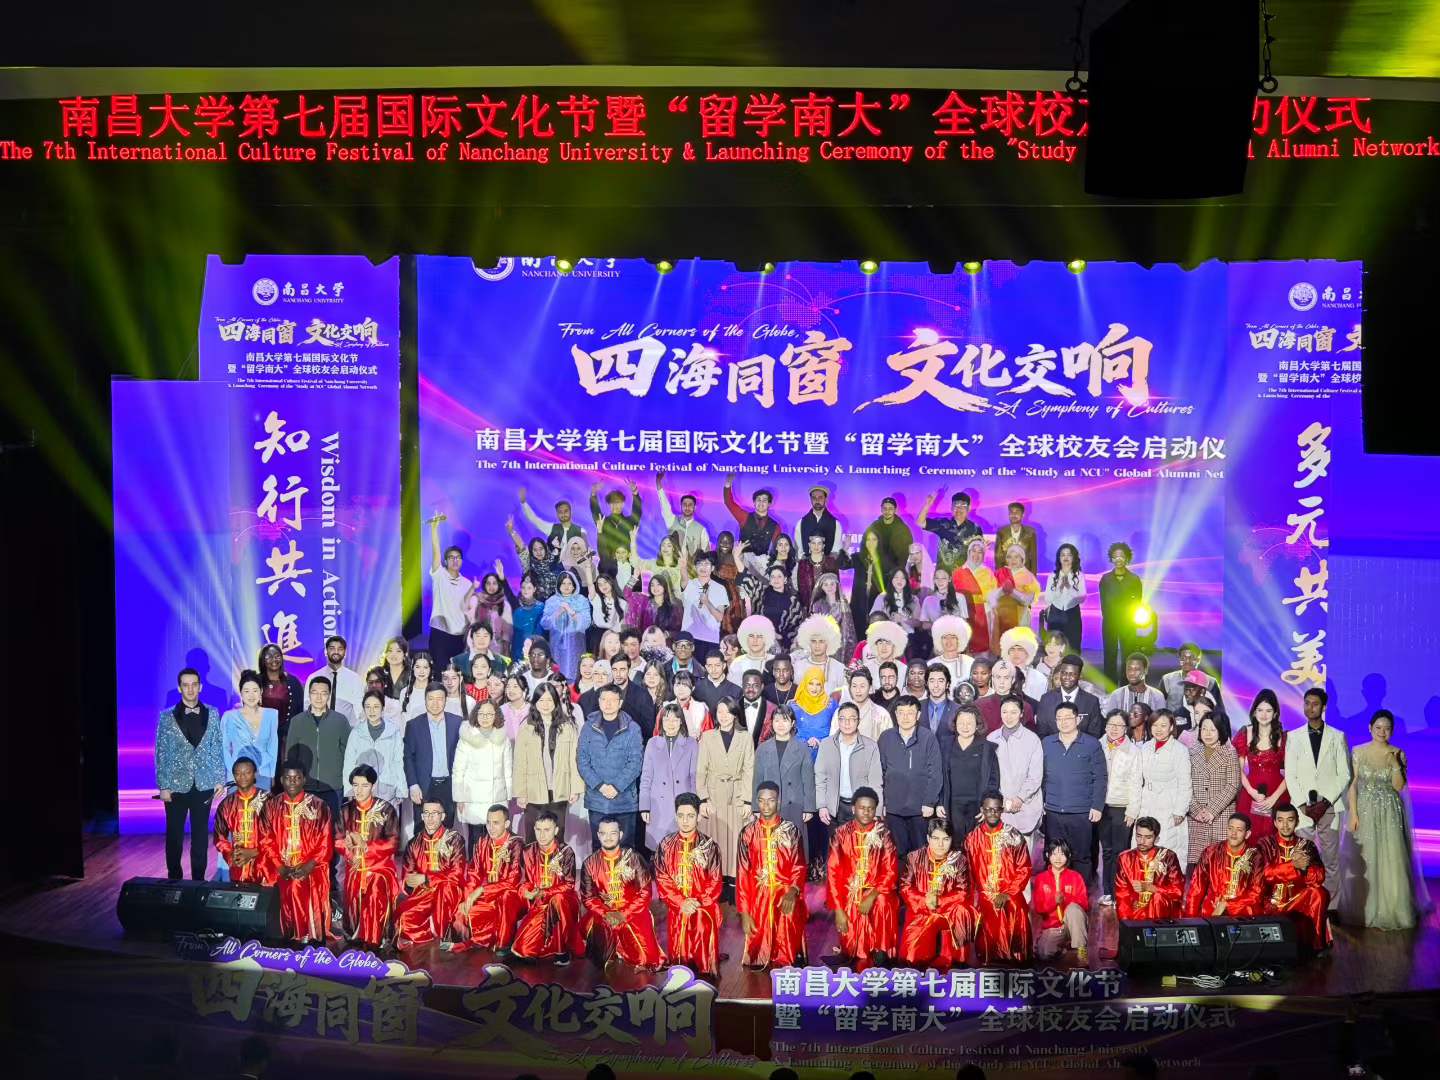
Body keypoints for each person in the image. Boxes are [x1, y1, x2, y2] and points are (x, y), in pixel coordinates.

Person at [1340, 709, 1424, 930]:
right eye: (1378, 727)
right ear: (1370, 728)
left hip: (1390, 812)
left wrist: (1395, 763)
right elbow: (1353, 785)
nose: (1382, 732)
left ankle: (1392, 909)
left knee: (1391, 857)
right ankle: (1365, 909)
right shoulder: (1358, 751)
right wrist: (1353, 813)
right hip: (1365, 809)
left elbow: (1399, 786)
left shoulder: (1398, 753)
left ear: (1392, 731)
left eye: (1387, 728)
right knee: (1367, 857)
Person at [156, 667, 227, 881]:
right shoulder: (167, 716)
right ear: (179, 688)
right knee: (174, 836)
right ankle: (174, 879)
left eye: (194, 685)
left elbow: (216, 747)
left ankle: (198, 881)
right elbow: (161, 753)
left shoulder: (212, 713)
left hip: (203, 784)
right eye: (185, 685)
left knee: (200, 837)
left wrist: (219, 779)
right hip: (176, 786)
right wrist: (163, 786)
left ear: (200, 687)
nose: (190, 689)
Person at [1283, 686, 1352, 904]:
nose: (1310, 707)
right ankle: (1302, 902)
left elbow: (1345, 774)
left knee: (1331, 859)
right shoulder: (1293, 737)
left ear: (1323, 707)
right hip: (1303, 808)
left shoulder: (1337, 736)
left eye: (1315, 704)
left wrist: (1326, 802)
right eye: (1307, 703)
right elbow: (1290, 774)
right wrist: (1302, 805)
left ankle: (1331, 906)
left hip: (1329, 807)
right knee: (1301, 857)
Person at [257, 761, 333, 944]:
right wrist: (280, 867)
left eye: (297, 778)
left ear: (304, 780)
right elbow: (265, 840)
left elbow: (325, 842)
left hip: (312, 865)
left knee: (298, 884)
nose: (292, 782)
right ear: (281, 780)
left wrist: (307, 866)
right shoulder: (271, 806)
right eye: (288, 778)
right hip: (279, 865)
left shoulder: (319, 806)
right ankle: (284, 934)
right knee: (275, 885)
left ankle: (305, 934)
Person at [737, 782, 808, 969]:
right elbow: (743, 874)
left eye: (771, 800)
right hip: (758, 896)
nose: (766, 806)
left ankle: (789, 955)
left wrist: (793, 890)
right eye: (761, 801)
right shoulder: (747, 833)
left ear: (779, 801)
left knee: (788, 907)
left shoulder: (791, 831)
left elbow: (799, 865)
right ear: (756, 802)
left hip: (785, 891)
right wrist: (744, 912)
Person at [826, 788, 899, 970]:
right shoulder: (840, 834)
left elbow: (890, 871)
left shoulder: (884, 834)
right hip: (849, 894)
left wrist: (872, 895)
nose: (866, 812)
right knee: (851, 951)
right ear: (853, 809)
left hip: (877, 890)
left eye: (870, 808)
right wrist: (838, 910)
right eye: (862, 808)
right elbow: (833, 873)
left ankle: (881, 951)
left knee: (882, 901)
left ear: (875, 810)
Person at [579, 816, 665, 970]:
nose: (608, 837)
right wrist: (607, 914)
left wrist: (623, 914)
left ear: (620, 834)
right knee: (599, 959)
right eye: (604, 833)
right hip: (604, 914)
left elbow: (645, 893)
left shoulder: (634, 858)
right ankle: (613, 949)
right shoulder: (590, 863)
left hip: (633, 913)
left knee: (646, 959)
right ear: (598, 835)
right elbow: (588, 898)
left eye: (613, 833)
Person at [653, 793, 723, 981]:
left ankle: (705, 969)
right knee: (679, 962)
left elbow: (715, 881)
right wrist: (681, 902)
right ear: (675, 816)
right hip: (677, 906)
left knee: (700, 919)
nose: (685, 821)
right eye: (681, 816)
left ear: (698, 816)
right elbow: (662, 878)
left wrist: (696, 902)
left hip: (702, 906)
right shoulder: (665, 845)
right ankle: (682, 966)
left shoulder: (710, 846)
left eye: (690, 816)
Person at [1041, 701, 1108, 886]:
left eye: (1068, 718)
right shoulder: (1047, 743)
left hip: (1081, 812)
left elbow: (1100, 777)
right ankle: (1055, 894)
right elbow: (1041, 776)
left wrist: (1097, 806)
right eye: (1059, 718)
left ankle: (1080, 896)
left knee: (1081, 856)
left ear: (1078, 719)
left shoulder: (1091, 744)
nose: (1063, 722)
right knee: (1054, 855)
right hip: (1053, 811)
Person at [336, 764, 402, 951]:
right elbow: (338, 840)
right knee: (354, 886)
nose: (359, 790)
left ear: (373, 786)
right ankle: (356, 934)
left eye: (364, 785)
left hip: (380, 866)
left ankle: (374, 937)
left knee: (375, 887)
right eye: (355, 785)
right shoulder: (345, 810)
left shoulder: (386, 809)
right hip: (355, 865)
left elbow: (393, 842)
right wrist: (351, 854)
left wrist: (365, 848)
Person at [899, 817, 978, 970]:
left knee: (963, 910)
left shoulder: (959, 860)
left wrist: (939, 901)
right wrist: (924, 901)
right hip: (921, 911)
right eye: (936, 838)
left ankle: (957, 959)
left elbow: (963, 892)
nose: (940, 844)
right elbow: (905, 887)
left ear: (951, 839)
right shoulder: (914, 857)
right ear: (928, 838)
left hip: (948, 911)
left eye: (946, 839)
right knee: (910, 960)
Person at [964, 792, 1033, 964]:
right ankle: (990, 956)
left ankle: (1017, 957)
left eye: (996, 809)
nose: (992, 813)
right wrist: (974, 898)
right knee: (986, 909)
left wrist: (1008, 893)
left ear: (1002, 810)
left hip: (1010, 892)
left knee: (1016, 907)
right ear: (982, 810)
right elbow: (968, 874)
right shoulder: (972, 839)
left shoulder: (1014, 836)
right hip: (984, 894)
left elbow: (1024, 868)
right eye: (988, 809)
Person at [513, 682, 583, 843]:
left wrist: (575, 788)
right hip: (533, 790)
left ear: (556, 702)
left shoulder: (567, 727)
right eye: (541, 700)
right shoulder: (526, 728)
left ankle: (557, 860)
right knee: (533, 835)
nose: (545, 704)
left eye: (549, 700)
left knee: (557, 834)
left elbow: (574, 759)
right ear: (535, 703)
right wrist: (521, 792)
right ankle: (533, 860)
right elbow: (519, 763)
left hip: (559, 789)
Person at [877, 695, 944, 863]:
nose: (905, 717)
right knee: (896, 853)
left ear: (918, 715)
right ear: (895, 715)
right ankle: (900, 880)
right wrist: (882, 802)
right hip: (893, 808)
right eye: (901, 713)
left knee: (920, 853)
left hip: (920, 809)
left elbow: (935, 773)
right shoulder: (886, 738)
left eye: (910, 713)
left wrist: (929, 802)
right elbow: (880, 772)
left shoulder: (928, 738)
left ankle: (919, 880)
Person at [511, 810, 583, 964]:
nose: (542, 835)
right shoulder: (528, 851)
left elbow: (569, 885)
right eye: (538, 830)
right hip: (539, 904)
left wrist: (544, 892)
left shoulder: (565, 852)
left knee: (558, 899)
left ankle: (562, 950)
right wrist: (526, 892)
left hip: (564, 903)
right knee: (523, 950)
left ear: (556, 830)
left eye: (547, 830)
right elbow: (523, 880)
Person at [577, 684, 644, 849]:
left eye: (613, 700)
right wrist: (600, 786)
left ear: (620, 702)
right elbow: (582, 760)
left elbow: (635, 762)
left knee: (626, 848)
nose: (608, 704)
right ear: (599, 701)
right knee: (599, 847)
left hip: (624, 800)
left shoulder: (633, 729)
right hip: (597, 799)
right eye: (604, 699)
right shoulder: (588, 727)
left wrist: (617, 786)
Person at [394, 799, 467, 948]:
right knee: (403, 919)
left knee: (444, 891)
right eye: (426, 813)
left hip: (449, 892)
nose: (430, 818)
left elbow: (457, 873)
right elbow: (408, 876)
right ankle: (429, 926)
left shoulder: (454, 839)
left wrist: (427, 878)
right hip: (424, 894)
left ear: (443, 816)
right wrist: (410, 882)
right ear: (421, 816)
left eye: (435, 813)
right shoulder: (414, 843)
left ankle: (441, 931)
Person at [1258, 804, 1332, 951]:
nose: (1285, 825)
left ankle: (1316, 944)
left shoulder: (1307, 845)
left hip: (1297, 901)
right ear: (1275, 823)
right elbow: (1264, 875)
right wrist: (1293, 865)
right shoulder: (1265, 844)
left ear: (1297, 822)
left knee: (1319, 892)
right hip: (1271, 904)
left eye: (1290, 820)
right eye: (1280, 820)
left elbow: (1319, 876)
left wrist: (1304, 868)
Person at [455, 804, 527, 954]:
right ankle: (491, 935)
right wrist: (467, 899)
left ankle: (505, 942)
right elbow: (474, 874)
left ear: (507, 824)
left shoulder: (516, 844)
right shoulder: (482, 842)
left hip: (514, 897)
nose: (491, 827)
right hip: (490, 895)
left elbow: (512, 881)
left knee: (505, 898)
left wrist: (482, 890)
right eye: (488, 822)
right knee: (462, 912)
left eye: (496, 823)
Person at [753, 705, 818, 863]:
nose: (780, 724)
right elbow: (757, 779)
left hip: (794, 805)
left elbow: (808, 780)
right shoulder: (762, 749)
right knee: (770, 851)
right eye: (776, 720)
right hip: (769, 806)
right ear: (772, 723)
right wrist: (755, 807)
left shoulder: (802, 748)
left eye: (785, 720)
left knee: (793, 850)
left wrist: (809, 807)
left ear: (793, 723)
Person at [285, 675, 351, 830]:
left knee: (332, 830)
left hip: (333, 786)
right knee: (306, 831)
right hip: (305, 786)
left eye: (323, 693)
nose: (319, 697)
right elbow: (291, 755)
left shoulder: (340, 721)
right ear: (309, 694)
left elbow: (348, 753)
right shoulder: (297, 721)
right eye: (315, 692)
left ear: (329, 695)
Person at [452, 698, 513, 854]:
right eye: (481, 714)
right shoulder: (467, 738)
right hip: (473, 798)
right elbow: (458, 770)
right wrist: (459, 797)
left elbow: (507, 769)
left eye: (489, 714)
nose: (485, 718)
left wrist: (508, 794)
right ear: (476, 715)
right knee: (476, 839)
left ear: (496, 715)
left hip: (496, 796)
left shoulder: (502, 738)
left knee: (496, 839)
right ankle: (475, 867)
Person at [1129, 709, 1191, 857]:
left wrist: (1180, 811)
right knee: (1143, 847)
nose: (1158, 729)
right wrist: (1134, 808)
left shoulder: (1180, 750)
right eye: (1155, 725)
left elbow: (1185, 784)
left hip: (1169, 805)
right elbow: (1136, 779)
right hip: (1147, 803)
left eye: (1163, 725)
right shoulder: (1145, 747)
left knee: (1166, 848)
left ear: (1171, 727)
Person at [987, 696, 1044, 854]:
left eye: (1013, 712)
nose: (1008, 716)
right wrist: (1000, 799)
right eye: (1004, 712)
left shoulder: (1032, 740)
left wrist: (1019, 798)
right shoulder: (991, 738)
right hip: (999, 807)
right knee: (999, 859)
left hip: (1025, 806)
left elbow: (1035, 776)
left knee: (1023, 858)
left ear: (1021, 714)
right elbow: (988, 775)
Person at [816, 702, 885, 832]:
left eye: (852, 719)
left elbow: (876, 782)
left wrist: (876, 811)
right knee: (835, 844)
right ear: (838, 721)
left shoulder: (870, 746)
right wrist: (821, 805)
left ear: (858, 721)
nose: (847, 723)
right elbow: (820, 777)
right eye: (842, 719)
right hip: (834, 807)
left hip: (862, 807)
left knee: (859, 843)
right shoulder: (826, 745)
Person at [639, 703, 699, 850]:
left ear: (681, 722)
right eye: (666, 720)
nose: (670, 724)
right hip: (658, 806)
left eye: (675, 720)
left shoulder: (691, 744)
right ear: (661, 722)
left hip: (683, 805)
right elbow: (646, 778)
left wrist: (695, 806)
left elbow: (694, 778)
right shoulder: (652, 743)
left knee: (683, 849)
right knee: (660, 849)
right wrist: (645, 807)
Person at [1183, 812, 1266, 917]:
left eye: (1239, 830)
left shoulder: (1256, 856)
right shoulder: (1211, 852)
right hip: (1211, 913)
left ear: (1247, 834)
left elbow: (1256, 893)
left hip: (1242, 915)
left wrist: (1227, 905)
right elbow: (1197, 888)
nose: (1233, 833)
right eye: (1230, 828)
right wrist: (1191, 919)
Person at [1232, 689, 1288, 842]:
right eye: (1260, 710)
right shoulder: (1246, 733)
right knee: (1249, 836)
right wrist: (1252, 792)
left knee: (1273, 840)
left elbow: (1291, 773)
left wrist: (1273, 798)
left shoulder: (1284, 737)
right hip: (1251, 792)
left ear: (1275, 713)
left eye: (1268, 710)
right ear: (1254, 712)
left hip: (1277, 793)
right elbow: (1238, 769)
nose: (1264, 715)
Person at [1186, 713, 1241, 869]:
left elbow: (1232, 785)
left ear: (1221, 730)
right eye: (1204, 729)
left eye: (1212, 729)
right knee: (1197, 865)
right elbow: (1185, 784)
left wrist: (1211, 810)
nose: (1207, 734)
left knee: (1219, 863)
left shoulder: (1229, 752)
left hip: (1220, 815)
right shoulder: (1191, 751)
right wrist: (1196, 809)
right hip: (1196, 816)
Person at [403, 683, 462, 827]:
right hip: (423, 786)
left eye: (439, 699)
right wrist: (413, 784)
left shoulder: (457, 723)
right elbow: (408, 757)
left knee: (446, 829)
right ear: (425, 700)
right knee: (421, 829)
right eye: (431, 699)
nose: (435, 703)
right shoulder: (414, 725)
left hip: (449, 786)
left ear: (446, 700)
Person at [1097, 709, 1141, 902]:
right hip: (1101, 806)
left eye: (1119, 725)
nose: (1114, 729)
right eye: (1111, 725)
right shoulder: (1098, 746)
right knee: (1106, 851)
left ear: (1126, 728)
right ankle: (1108, 891)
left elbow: (1136, 783)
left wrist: (1133, 810)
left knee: (1121, 851)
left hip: (1122, 807)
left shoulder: (1133, 751)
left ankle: (1120, 893)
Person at [1113, 816, 1185, 920]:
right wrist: (1126, 923)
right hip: (1134, 913)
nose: (1142, 841)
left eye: (1148, 837)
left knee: (1157, 898)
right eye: (1139, 836)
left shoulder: (1168, 856)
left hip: (1162, 912)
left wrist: (1151, 888)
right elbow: (1121, 894)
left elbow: (1178, 891)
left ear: (1157, 839)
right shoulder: (1124, 858)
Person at [428, 514, 476, 665]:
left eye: (458, 557)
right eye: (451, 557)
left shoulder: (467, 583)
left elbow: (469, 609)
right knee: (441, 671)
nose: (455, 560)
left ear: (462, 560)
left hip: (460, 636)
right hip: (440, 634)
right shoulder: (440, 575)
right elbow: (436, 552)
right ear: (446, 560)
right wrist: (434, 530)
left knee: (457, 673)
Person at [1033, 839, 1090, 964]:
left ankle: (1081, 951)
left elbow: (1085, 904)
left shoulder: (1076, 876)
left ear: (1068, 855)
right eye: (1054, 854)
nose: (1058, 858)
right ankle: (1064, 948)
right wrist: (1054, 901)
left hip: (1073, 923)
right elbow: (1039, 908)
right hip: (1053, 926)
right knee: (1044, 953)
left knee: (1073, 909)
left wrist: (1065, 900)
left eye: (1062, 854)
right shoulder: (1041, 879)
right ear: (1047, 855)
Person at [213, 756, 269, 883]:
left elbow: (278, 835)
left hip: (265, 866)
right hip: (238, 866)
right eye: (238, 773)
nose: (242, 777)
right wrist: (230, 855)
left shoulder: (268, 800)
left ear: (255, 774)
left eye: (247, 772)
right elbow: (219, 837)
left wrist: (254, 852)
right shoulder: (227, 804)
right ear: (233, 776)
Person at [946, 704, 998, 841]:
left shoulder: (987, 748)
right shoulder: (945, 745)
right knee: (954, 846)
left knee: (976, 845)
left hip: (977, 806)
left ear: (977, 725)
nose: (965, 726)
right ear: (955, 724)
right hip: (952, 805)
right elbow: (939, 777)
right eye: (961, 722)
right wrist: (940, 803)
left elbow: (993, 781)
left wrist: (986, 807)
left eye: (969, 723)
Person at [221, 671, 279, 792]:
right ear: (241, 693)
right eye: (247, 691)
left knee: (262, 804)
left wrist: (272, 773)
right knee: (236, 805)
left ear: (261, 691)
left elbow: (273, 745)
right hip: (238, 775)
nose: (251, 695)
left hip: (263, 773)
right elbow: (224, 748)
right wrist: (233, 771)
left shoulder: (271, 714)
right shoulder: (229, 717)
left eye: (255, 690)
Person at [1098, 542, 1143, 684]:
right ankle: (1109, 686)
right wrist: (1109, 619)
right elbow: (1103, 602)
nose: (1118, 559)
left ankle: (1126, 684)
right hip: (1110, 622)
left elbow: (1138, 602)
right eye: (1115, 556)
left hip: (1128, 623)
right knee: (1109, 654)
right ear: (1111, 558)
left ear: (1127, 558)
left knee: (1128, 655)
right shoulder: (1105, 579)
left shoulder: (1134, 579)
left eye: (1121, 556)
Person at [257, 643, 306, 760]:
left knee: (285, 765)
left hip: (287, 735)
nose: (274, 660)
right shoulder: (256, 681)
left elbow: (299, 711)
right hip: (262, 735)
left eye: (277, 656)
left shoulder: (293, 682)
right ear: (263, 660)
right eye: (269, 656)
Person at [541, 570, 592, 681]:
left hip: (576, 643)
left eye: (569, 583)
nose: (566, 586)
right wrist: (557, 613)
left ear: (574, 585)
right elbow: (544, 624)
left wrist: (572, 612)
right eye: (563, 583)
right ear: (559, 585)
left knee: (575, 674)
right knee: (557, 676)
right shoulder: (552, 601)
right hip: (557, 644)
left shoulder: (581, 600)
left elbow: (586, 623)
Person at [1035, 654, 1103, 738]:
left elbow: (1094, 734)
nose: (1067, 677)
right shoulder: (1046, 699)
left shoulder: (1091, 701)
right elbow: (1041, 732)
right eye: (1064, 673)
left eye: (1072, 674)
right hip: (1051, 745)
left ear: (1079, 675)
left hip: (1083, 746)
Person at [918, 490, 983, 575]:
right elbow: (920, 523)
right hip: (942, 577)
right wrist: (927, 505)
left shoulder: (975, 529)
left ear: (969, 508)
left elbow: (978, 554)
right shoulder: (943, 524)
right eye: (956, 505)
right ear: (951, 508)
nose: (959, 509)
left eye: (963, 506)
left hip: (964, 576)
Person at [951, 537, 997, 657]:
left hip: (983, 614)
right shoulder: (958, 572)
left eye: (980, 552)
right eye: (973, 551)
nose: (976, 555)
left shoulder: (988, 573)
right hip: (962, 613)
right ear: (968, 552)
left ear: (983, 555)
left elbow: (993, 595)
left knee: (981, 651)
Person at [680, 553, 730, 662]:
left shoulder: (720, 588)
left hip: (709, 639)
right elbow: (683, 578)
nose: (703, 567)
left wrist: (707, 602)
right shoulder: (690, 584)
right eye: (700, 564)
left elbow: (719, 617)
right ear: (695, 567)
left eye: (707, 564)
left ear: (712, 568)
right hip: (688, 638)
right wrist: (683, 567)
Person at [306, 635, 366, 724]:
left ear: (345, 652)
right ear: (326, 651)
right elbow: (307, 704)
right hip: (319, 727)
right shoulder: (313, 677)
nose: (336, 652)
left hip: (346, 728)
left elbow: (359, 709)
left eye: (340, 649)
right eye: (332, 648)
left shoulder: (354, 679)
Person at [589, 480, 642, 577]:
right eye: (612, 503)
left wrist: (635, 493)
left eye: (617, 502)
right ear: (609, 504)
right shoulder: (603, 521)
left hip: (626, 565)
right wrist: (593, 494)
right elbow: (595, 512)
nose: (615, 505)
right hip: (607, 566)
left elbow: (637, 512)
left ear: (622, 503)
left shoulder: (629, 522)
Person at [989, 542, 1041, 642]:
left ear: (1022, 559)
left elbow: (1028, 600)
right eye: (1010, 557)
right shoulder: (1000, 573)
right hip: (1000, 616)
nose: (1013, 560)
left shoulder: (1028, 576)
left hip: (1020, 617)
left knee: (1017, 643)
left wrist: (1012, 592)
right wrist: (1001, 591)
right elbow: (991, 596)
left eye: (1016, 557)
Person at [656, 471, 711, 560]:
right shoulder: (672, 521)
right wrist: (658, 483)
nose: (687, 507)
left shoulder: (701, 529)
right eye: (684, 504)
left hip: (691, 567)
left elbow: (706, 553)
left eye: (690, 505)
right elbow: (664, 505)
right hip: (673, 565)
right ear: (681, 506)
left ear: (695, 508)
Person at [1042, 543, 1085, 653]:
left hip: (1072, 614)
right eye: (1063, 555)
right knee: (1054, 645)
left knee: (1073, 646)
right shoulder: (1052, 576)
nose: (1066, 557)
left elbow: (1082, 598)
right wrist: (1059, 589)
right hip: (1055, 614)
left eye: (1069, 555)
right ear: (1059, 558)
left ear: (1073, 558)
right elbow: (1048, 599)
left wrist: (1069, 588)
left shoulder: (1079, 575)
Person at [519, 487, 590, 553]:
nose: (563, 514)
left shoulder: (580, 531)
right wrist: (524, 503)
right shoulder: (551, 528)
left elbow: (587, 550)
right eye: (560, 512)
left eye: (566, 511)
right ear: (557, 514)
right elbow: (535, 520)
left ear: (571, 512)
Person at [792, 614, 848, 695]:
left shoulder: (839, 668)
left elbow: (844, 696)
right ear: (808, 642)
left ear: (829, 643)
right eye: (813, 641)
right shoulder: (798, 666)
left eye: (821, 641)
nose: (817, 645)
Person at [809, 571, 857, 663]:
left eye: (832, 584)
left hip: (840, 643)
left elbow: (848, 628)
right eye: (826, 584)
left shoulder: (843, 605)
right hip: (822, 642)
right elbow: (814, 626)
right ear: (821, 587)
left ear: (837, 585)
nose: (829, 587)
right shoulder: (817, 605)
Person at [977, 662, 1036, 733]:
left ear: (1013, 680)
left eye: (1006, 678)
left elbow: (1030, 734)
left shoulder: (1025, 707)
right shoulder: (979, 705)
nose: (1001, 682)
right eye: (998, 677)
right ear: (992, 679)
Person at [998, 626, 1050, 704]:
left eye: (1020, 649)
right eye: (1012, 649)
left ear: (1028, 652)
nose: (1016, 653)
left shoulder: (1039, 678)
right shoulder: (998, 675)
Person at [694, 650, 742, 718]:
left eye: (717, 665)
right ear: (706, 667)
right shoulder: (697, 687)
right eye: (710, 666)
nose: (713, 669)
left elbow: (738, 717)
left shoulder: (736, 690)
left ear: (724, 665)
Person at [928, 614, 973, 687]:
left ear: (960, 639)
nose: (949, 641)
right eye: (945, 637)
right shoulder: (931, 664)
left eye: (953, 637)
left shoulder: (970, 662)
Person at [739, 669, 778, 745]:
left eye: (755, 685)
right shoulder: (733, 707)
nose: (751, 689)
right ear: (742, 686)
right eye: (747, 685)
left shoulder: (773, 709)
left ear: (762, 686)